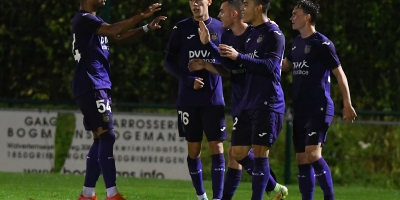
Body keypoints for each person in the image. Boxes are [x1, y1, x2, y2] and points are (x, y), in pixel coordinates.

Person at [189, 0, 288, 199]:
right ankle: (274, 187)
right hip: (246, 103)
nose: (243, 8)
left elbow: (270, 66)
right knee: (238, 153)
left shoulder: (273, 33)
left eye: (247, 5)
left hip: (266, 102)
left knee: (259, 157)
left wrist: (238, 57)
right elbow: (234, 67)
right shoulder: (250, 36)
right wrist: (208, 45)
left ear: (258, 7)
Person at [72, 1, 166, 200]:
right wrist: (142, 14)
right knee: (107, 135)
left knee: (100, 137)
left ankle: (87, 194)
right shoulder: (85, 18)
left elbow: (118, 36)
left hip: (93, 84)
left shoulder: (93, 21)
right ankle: (112, 193)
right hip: (92, 84)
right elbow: (115, 30)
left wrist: (146, 28)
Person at [281, 1, 357, 200]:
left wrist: (347, 103)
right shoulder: (296, 42)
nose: (292, 17)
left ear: (307, 17)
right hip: (300, 109)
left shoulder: (322, 43)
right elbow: (284, 66)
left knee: (313, 154)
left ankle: (329, 197)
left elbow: (340, 74)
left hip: (319, 107)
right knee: (302, 159)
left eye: (295, 14)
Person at [163, 0, 227, 200]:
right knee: (194, 148)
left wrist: (206, 65)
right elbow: (168, 61)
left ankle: (217, 198)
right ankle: (201, 196)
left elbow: (229, 64)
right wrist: (187, 79)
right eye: (191, 1)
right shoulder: (181, 28)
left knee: (217, 146)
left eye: (199, 0)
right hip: (188, 99)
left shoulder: (220, 27)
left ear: (209, 1)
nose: (194, 4)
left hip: (213, 99)